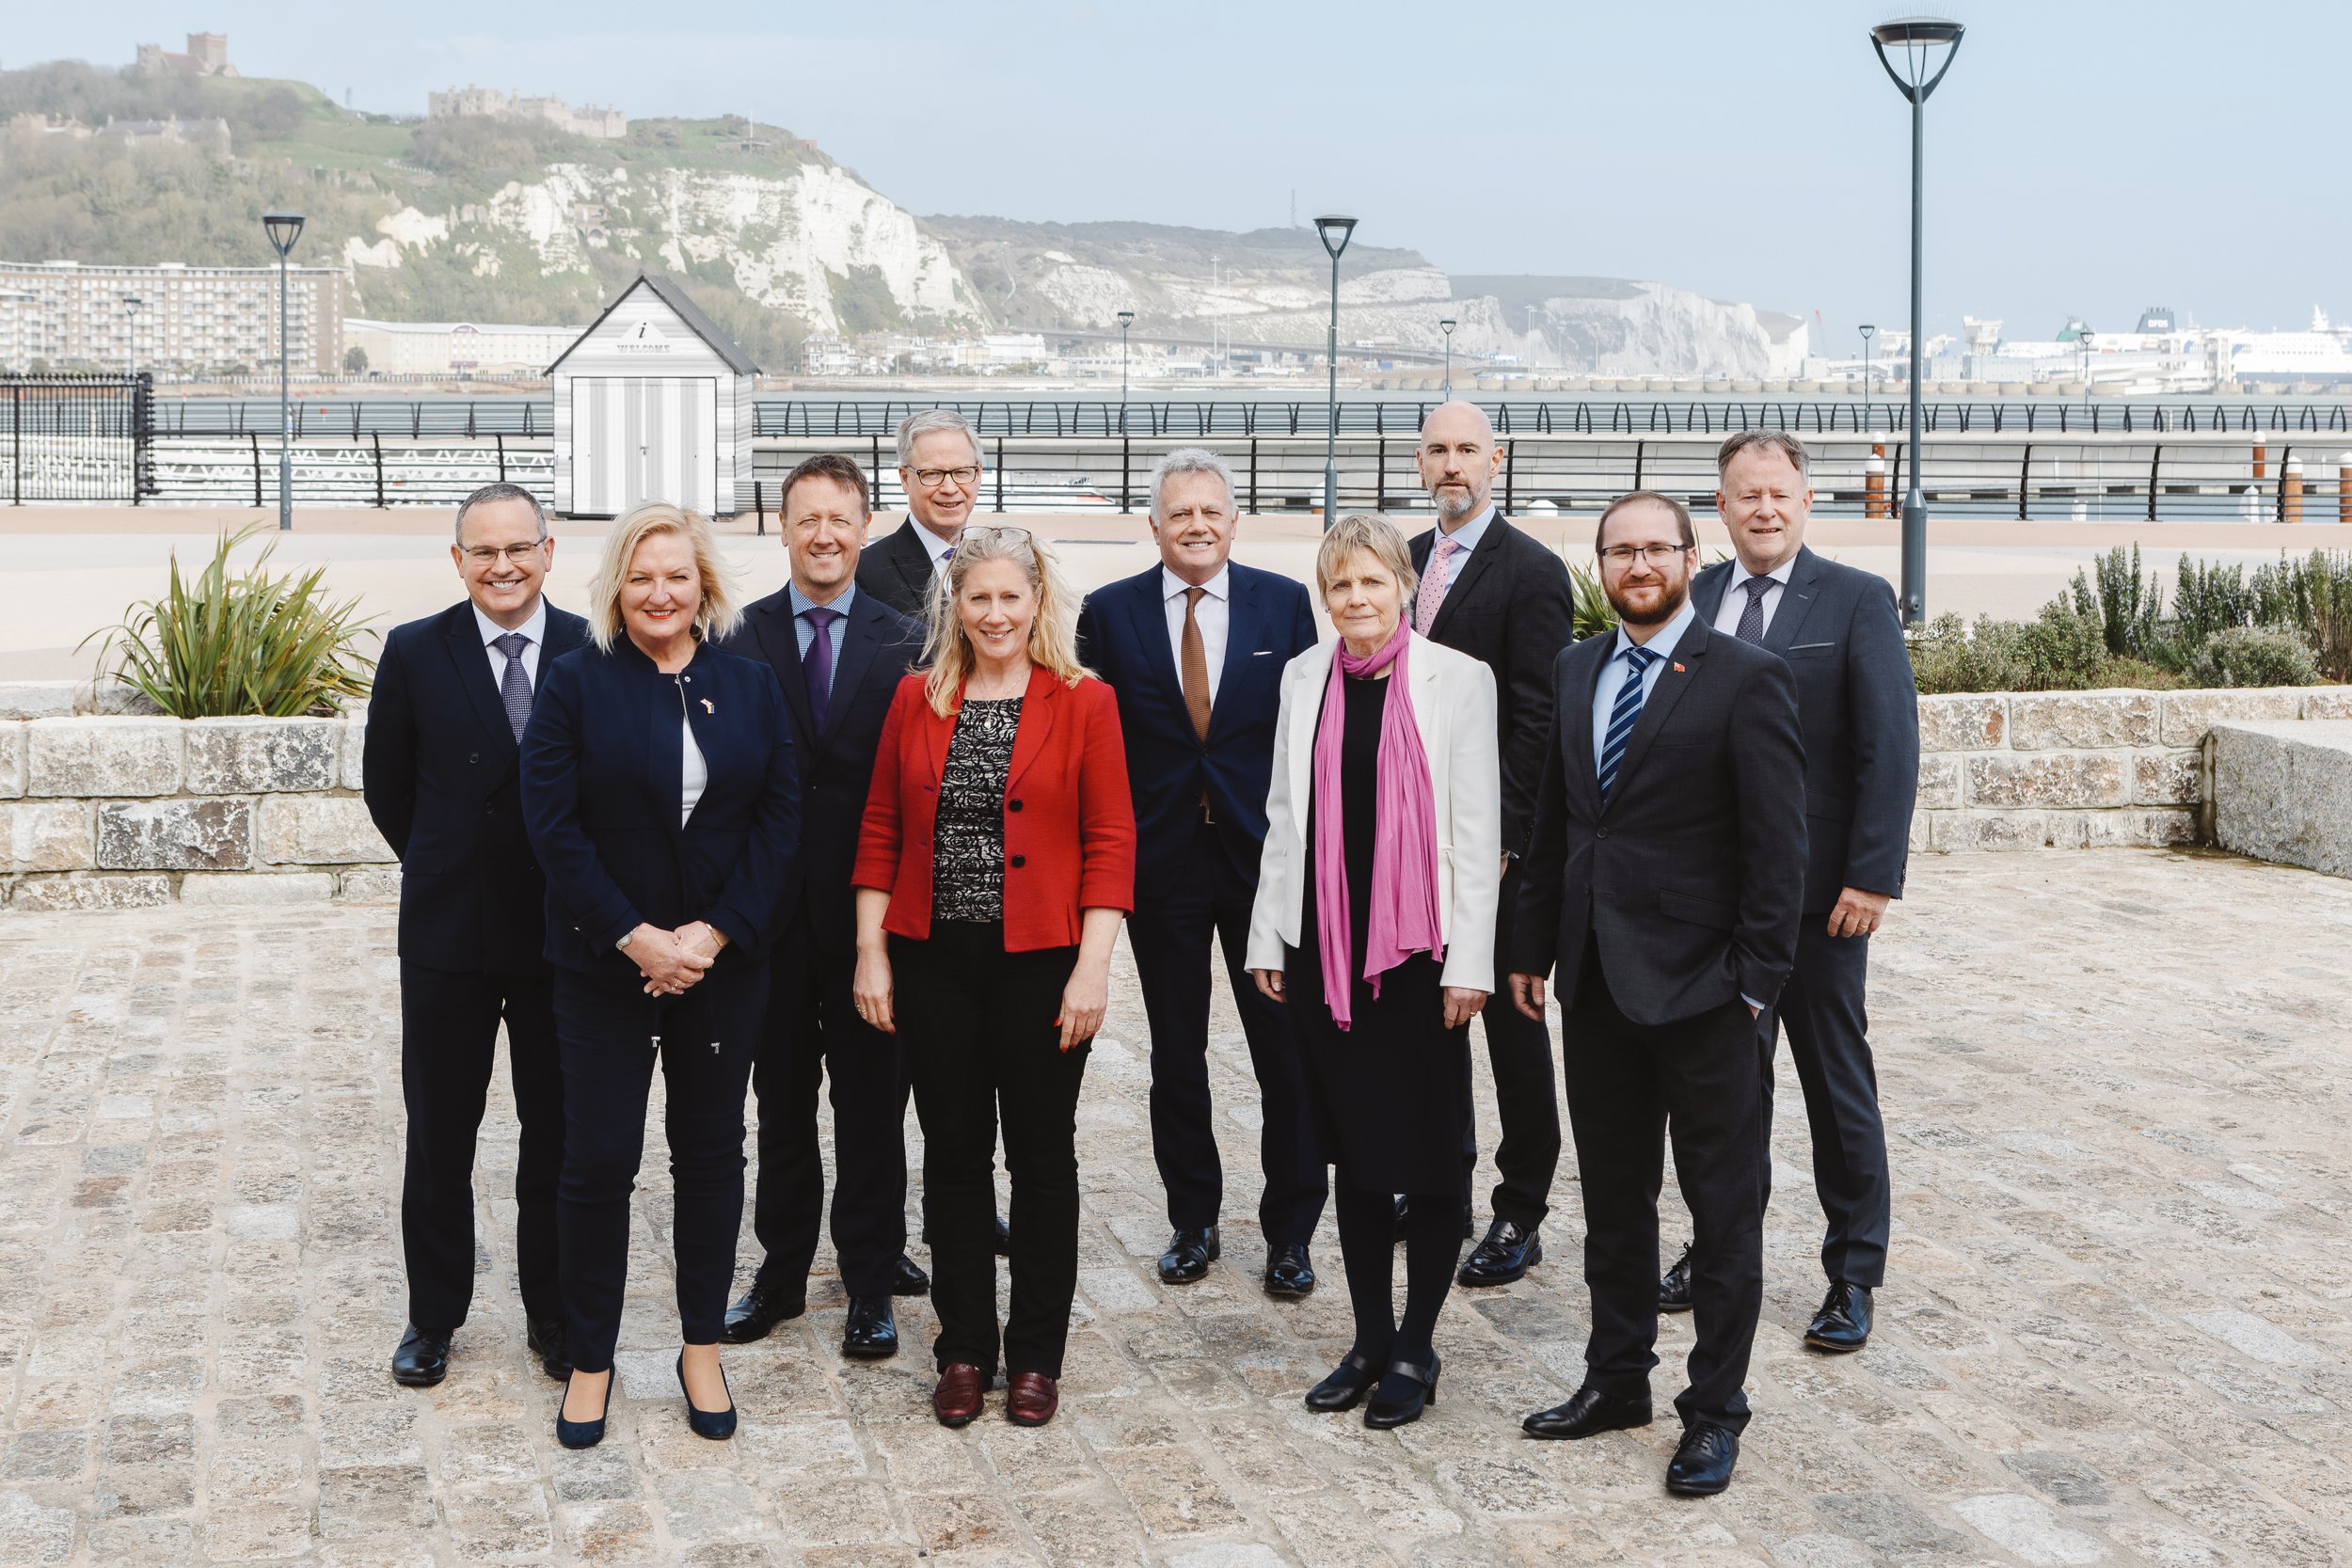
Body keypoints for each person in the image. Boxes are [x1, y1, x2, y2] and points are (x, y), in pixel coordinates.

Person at [1510, 491, 1804, 1497]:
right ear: (1598, 564)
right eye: (1618, 550)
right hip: (1595, 986)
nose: (1637, 563)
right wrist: (1531, 947)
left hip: (1707, 999)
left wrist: (1755, 991)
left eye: (1655, 547)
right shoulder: (1576, 665)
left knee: (1723, 1217)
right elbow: (1555, 826)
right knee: (1613, 1205)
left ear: (1691, 556)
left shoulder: (1747, 678)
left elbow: (1780, 856)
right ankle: (1615, 1379)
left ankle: (1714, 1411)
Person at [519, 502, 801, 1450]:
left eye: (676, 575)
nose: (660, 593)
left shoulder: (751, 684)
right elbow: (551, 825)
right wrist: (635, 936)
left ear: (704, 585)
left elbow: (779, 822)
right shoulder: (573, 683)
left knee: (712, 1158)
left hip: (720, 967)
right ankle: (593, 1357)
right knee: (597, 1163)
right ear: (615, 587)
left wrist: (712, 935)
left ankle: (699, 1345)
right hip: (602, 964)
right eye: (641, 576)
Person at [851, 525, 1135, 1430]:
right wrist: (872, 949)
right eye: (979, 598)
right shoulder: (915, 698)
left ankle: (1037, 1356)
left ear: (1038, 602)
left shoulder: (1086, 700)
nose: (996, 612)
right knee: (956, 1159)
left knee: (1043, 1160)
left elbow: (1110, 844)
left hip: (1044, 964)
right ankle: (965, 1347)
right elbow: (881, 831)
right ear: (955, 606)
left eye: (1012, 596)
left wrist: (1092, 969)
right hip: (935, 961)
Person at [1657, 431, 1919, 1354]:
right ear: (1719, 510)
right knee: (1717, 1090)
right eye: (1744, 495)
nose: (1762, 509)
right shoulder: (1691, 604)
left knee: (1834, 1083)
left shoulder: (1854, 601)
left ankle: (1853, 1270)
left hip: (1817, 902)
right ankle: (1713, 1245)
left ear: (1806, 502)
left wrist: (1871, 873)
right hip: (1710, 903)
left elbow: (1887, 744)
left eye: (1778, 494)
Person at [1246, 513, 1502, 1432]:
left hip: (1420, 954)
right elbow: (1286, 816)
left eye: (1370, 581)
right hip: (1328, 950)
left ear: (1401, 584)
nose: (1355, 598)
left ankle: (1416, 1344)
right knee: (1351, 1152)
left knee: (1430, 1159)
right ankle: (1366, 1337)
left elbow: (1475, 831)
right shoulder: (1304, 676)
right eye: (1338, 585)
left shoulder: (1456, 680)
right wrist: (1269, 938)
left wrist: (1470, 961)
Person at [1078, 448, 1326, 1298]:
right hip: (1162, 866)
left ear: (1232, 520)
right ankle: (1194, 1219)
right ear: (1154, 525)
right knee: (1175, 1051)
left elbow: (1308, 743)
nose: (1196, 525)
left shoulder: (1285, 605)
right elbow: (1093, 746)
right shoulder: (1108, 614)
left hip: (1263, 867)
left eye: (1210, 512)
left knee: (1283, 1053)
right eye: (1179, 513)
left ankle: (1291, 1232)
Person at [364, 482, 585, 1389]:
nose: (502, 566)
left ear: (548, 550)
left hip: (560, 933)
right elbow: (389, 789)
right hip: (451, 932)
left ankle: (554, 1309)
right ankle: (433, 1314)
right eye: (482, 552)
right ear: (457, 560)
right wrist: (448, 861)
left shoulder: (588, 644)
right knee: (442, 1132)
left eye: (517, 549)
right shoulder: (416, 650)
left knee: (557, 1133)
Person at [716, 453, 932, 1357]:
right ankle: (781, 1269)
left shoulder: (912, 636)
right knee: (782, 1102)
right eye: (807, 519)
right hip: (769, 921)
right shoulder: (738, 635)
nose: (825, 536)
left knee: (874, 1105)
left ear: (865, 523)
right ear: (783, 527)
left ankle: (872, 1279)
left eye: (841, 519)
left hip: (872, 918)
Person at [1404, 401, 1576, 1287]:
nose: (1452, 465)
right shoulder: (1405, 560)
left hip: (1498, 848)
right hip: (1414, 842)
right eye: (1438, 450)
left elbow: (1541, 718)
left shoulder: (1533, 571)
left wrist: (1505, 840)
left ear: (1496, 460)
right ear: (1418, 459)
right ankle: (1441, 1186)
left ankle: (1522, 1209)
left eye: (1468, 449)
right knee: (1431, 1022)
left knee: (1513, 1029)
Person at [856, 408, 985, 619]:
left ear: (978, 474)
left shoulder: (998, 561)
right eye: (933, 474)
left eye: (962, 472)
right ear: (905, 478)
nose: (950, 488)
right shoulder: (866, 573)